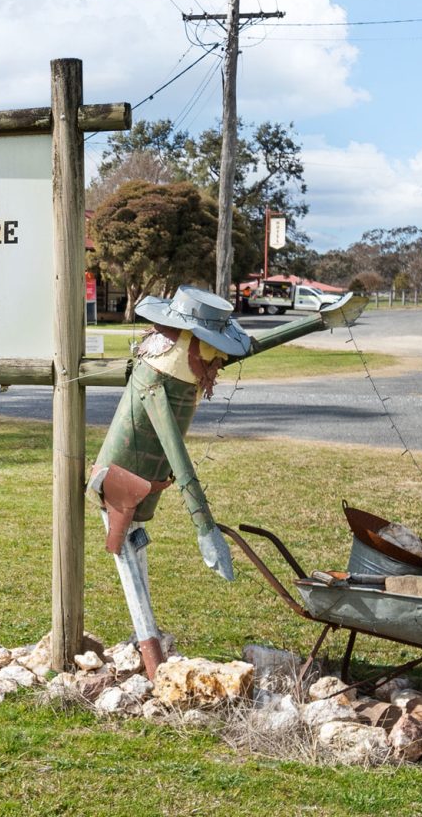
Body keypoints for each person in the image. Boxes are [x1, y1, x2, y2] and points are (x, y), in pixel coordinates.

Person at [91, 284, 365, 677]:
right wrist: (205, 530)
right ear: (186, 342)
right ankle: (152, 663)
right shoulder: (154, 384)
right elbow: (178, 458)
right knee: (129, 566)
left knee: (137, 550)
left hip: (145, 485)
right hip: (117, 485)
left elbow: (249, 347)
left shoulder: (186, 365)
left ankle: (147, 650)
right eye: (212, 348)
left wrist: (321, 322)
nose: (220, 361)